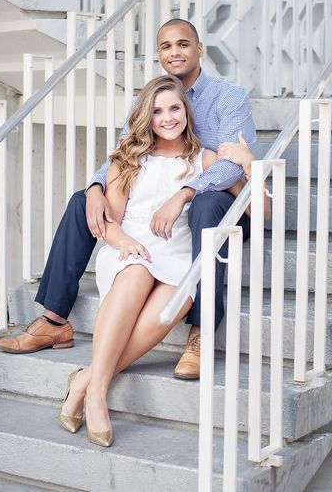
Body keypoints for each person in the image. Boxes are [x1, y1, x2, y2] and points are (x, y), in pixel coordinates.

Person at [0, 18, 256, 379]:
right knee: (80, 201)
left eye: (183, 44)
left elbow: (231, 166)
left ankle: (200, 331)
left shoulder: (228, 97)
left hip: (215, 199)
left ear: (200, 49)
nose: (175, 52)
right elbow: (125, 152)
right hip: (164, 206)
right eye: (166, 46)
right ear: (158, 55)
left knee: (205, 207)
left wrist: (186, 191)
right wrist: (96, 188)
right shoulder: (147, 100)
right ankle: (54, 318)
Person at [57, 75, 266, 446]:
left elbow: (261, 211)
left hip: (175, 256)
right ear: (146, 118)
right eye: (157, 111)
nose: (167, 117)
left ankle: (85, 379)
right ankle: (98, 396)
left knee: (179, 299)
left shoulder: (206, 160)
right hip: (130, 249)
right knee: (136, 274)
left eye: (174, 108)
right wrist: (128, 244)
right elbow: (108, 224)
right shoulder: (128, 158)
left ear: (186, 111)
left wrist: (249, 165)